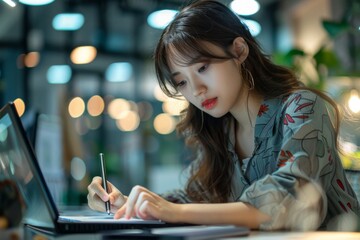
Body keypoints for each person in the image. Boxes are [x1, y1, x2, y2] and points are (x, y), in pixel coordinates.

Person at [87, 0, 359, 230]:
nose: (196, 90)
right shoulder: (221, 130)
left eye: (203, 68)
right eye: (182, 82)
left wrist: (173, 212)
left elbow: (287, 195)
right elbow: (193, 197)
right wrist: (128, 203)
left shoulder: (302, 107)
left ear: (239, 51)